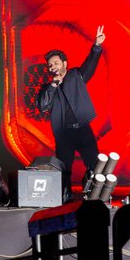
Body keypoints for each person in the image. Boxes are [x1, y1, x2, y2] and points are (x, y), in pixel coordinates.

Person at [37, 25, 106, 202]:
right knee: (63, 167)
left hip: (82, 129)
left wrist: (96, 46)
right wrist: (53, 86)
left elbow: (90, 65)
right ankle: (64, 195)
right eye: (50, 65)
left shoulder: (76, 75)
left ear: (65, 64)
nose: (52, 67)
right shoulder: (48, 88)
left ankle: (94, 194)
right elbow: (43, 106)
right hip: (64, 133)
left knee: (94, 164)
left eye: (56, 63)